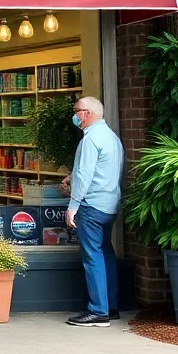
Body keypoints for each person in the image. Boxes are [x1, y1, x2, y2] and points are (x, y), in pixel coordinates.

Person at [62, 96, 125, 327]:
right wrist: (74, 175)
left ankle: (97, 311)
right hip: (109, 203)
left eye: (76, 111)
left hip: (91, 205)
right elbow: (103, 169)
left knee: (92, 257)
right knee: (106, 253)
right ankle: (111, 305)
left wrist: (73, 206)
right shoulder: (111, 137)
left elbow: (84, 176)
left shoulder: (89, 140)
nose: (75, 115)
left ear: (86, 113)